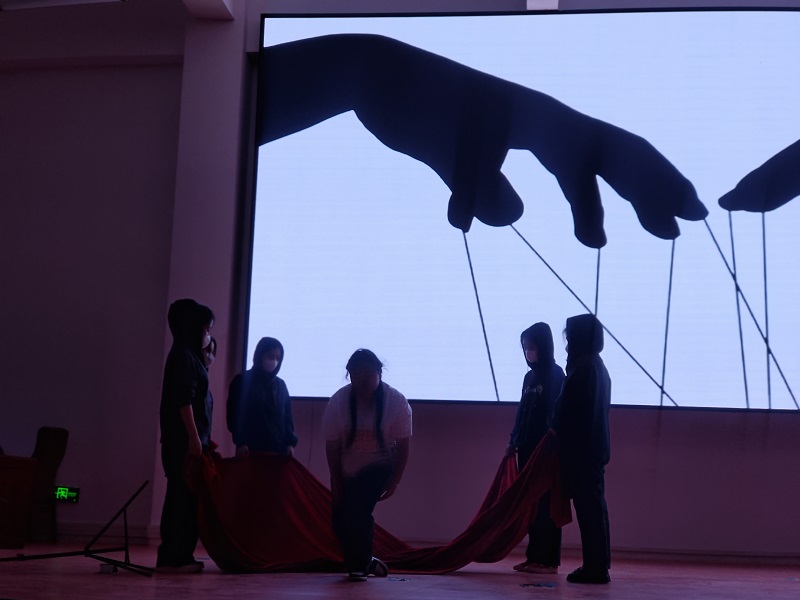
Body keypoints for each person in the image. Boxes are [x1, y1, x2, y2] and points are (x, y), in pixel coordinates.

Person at [323, 349, 412, 581]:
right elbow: (332, 447)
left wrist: (395, 481)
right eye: (356, 375)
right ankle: (365, 561)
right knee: (340, 519)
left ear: (379, 374)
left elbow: (403, 446)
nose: (362, 381)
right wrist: (336, 481)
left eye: (368, 375)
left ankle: (358, 567)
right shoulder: (338, 402)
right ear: (349, 376)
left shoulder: (396, 401)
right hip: (347, 467)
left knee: (358, 509)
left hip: (380, 465)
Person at [551, 314, 612, 584]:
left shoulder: (583, 369)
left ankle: (594, 569)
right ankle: (598, 565)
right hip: (593, 451)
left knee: (588, 511)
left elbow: (566, 410)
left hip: (581, 453)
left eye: (570, 339)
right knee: (594, 509)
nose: (566, 347)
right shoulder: (597, 367)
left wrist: (553, 424)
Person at [156, 298, 215, 574]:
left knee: (182, 498)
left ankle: (178, 555)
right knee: (181, 500)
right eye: (207, 329)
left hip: (184, 442)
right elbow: (184, 401)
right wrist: (193, 437)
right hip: (183, 443)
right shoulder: (183, 356)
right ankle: (175, 558)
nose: (208, 335)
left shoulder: (187, 355)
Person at [507, 322, 566, 575]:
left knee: (546, 505)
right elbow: (522, 413)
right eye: (525, 347)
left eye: (532, 346)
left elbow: (557, 412)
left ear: (544, 346)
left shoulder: (556, 374)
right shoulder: (528, 377)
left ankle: (548, 560)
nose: (528, 352)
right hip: (526, 449)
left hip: (546, 452)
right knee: (530, 504)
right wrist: (513, 441)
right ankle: (533, 557)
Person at [226, 337, 297, 457]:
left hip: (278, 452)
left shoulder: (281, 385)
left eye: (278, 358)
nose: (274, 361)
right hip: (249, 450)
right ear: (260, 355)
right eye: (270, 356)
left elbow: (287, 418)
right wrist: (241, 442)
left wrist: (290, 443)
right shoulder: (241, 381)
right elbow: (234, 416)